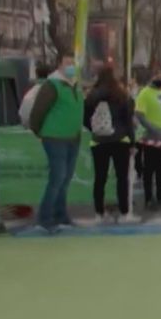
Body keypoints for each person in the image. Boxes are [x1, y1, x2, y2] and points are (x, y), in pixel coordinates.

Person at [28, 55, 84, 232]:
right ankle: (45, 217)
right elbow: (38, 111)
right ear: (59, 65)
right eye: (67, 63)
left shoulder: (75, 86)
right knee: (57, 177)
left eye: (73, 64)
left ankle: (61, 215)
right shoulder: (52, 85)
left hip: (72, 138)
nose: (71, 67)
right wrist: (38, 131)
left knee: (65, 179)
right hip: (55, 137)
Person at [83, 67, 136, 222]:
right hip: (120, 140)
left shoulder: (92, 95)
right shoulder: (121, 95)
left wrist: (94, 129)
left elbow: (84, 117)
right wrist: (132, 141)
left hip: (98, 141)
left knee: (100, 178)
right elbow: (128, 121)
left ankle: (99, 213)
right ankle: (124, 212)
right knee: (122, 178)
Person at [134, 73, 161, 210]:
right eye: (157, 76)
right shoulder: (145, 93)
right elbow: (140, 115)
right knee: (149, 168)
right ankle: (148, 198)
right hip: (152, 137)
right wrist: (154, 129)